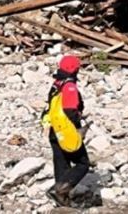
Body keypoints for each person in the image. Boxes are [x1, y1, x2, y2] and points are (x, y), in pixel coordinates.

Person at [42, 55, 90, 207]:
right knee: (83, 163)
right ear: (75, 70)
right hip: (65, 131)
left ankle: (62, 201)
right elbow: (70, 111)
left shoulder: (57, 83)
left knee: (61, 163)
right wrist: (78, 125)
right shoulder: (70, 86)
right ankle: (60, 190)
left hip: (53, 129)